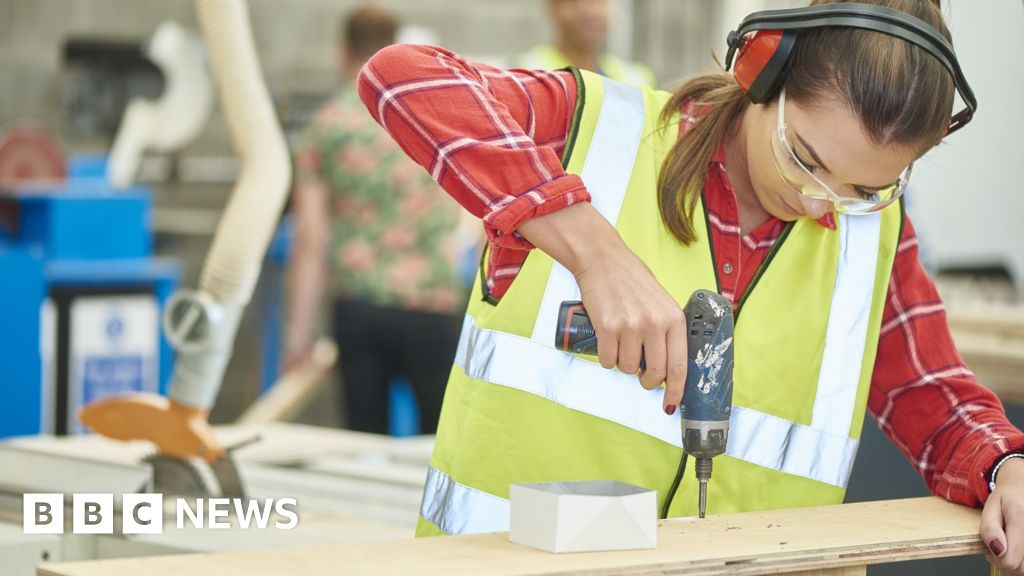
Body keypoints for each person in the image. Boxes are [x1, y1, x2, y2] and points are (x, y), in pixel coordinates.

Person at [358, 0, 1024, 571]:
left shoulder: (872, 234)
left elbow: (929, 393)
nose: (820, 201)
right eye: (806, 158)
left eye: (864, 188)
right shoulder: (595, 133)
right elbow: (401, 79)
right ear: (763, 70)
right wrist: (594, 252)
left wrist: (1004, 468)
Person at [285, 6, 466, 435]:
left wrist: (298, 336)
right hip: (432, 303)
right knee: (439, 449)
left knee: (364, 446)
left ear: (342, 50)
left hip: (360, 307)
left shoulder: (327, 124)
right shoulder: (431, 115)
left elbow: (310, 238)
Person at [516, 0, 656, 88]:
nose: (588, 12)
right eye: (571, 2)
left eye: (597, 1)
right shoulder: (525, 75)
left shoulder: (636, 79)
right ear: (552, 8)